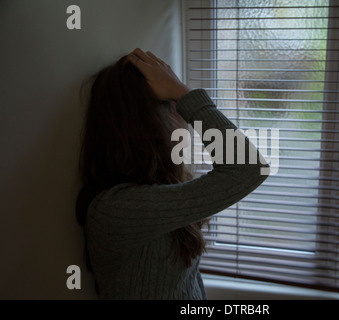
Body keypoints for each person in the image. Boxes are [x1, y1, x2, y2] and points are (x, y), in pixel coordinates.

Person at [76, 48, 269, 299]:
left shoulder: (159, 188)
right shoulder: (118, 209)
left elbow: (189, 284)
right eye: (171, 104)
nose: (183, 116)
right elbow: (249, 167)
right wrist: (184, 92)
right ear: (146, 122)